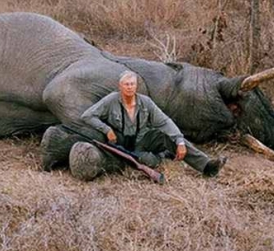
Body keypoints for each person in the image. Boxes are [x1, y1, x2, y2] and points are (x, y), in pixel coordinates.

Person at [81, 69, 226, 177]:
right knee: (150, 161)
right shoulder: (111, 100)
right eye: (126, 84)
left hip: (142, 140)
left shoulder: (146, 102)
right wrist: (106, 129)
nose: (130, 87)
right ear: (120, 86)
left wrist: (180, 142)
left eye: (132, 84)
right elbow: (87, 116)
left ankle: (207, 166)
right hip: (120, 143)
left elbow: (165, 121)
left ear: (136, 86)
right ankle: (161, 156)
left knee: (167, 136)